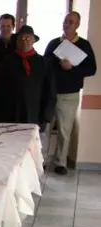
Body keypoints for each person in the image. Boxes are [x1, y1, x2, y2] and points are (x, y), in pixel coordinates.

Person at [44, 11, 97, 175]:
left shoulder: (84, 45)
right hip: (50, 94)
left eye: (71, 22)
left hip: (69, 95)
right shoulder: (53, 44)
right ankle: (42, 160)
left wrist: (72, 68)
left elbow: (91, 69)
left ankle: (61, 162)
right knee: (44, 128)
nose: (67, 24)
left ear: (77, 25)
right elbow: (44, 66)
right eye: (66, 21)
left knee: (64, 130)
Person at [0, 26, 56, 127]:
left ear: (33, 40)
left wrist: (46, 116)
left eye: (28, 38)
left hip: (34, 114)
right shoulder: (6, 62)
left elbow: (50, 91)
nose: (24, 41)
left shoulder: (43, 63)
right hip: (8, 115)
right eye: (21, 38)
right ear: (16, 41)